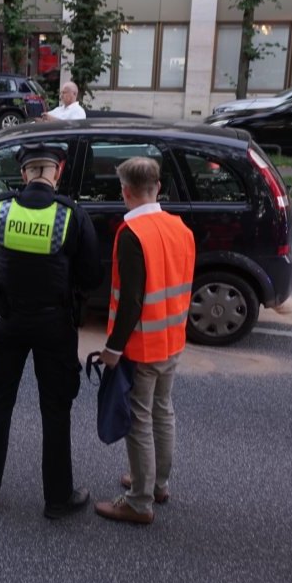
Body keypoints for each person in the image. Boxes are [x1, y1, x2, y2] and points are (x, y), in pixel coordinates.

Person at [0, 144, 102, 517]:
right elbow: (92, 276)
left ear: (25, 173)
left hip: (5, 322)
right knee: (55, 411)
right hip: (54, 326)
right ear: (57, 171)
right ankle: (58, 500)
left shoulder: (0, 210)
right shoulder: (71, 216)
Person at [95, 157, 196, 526]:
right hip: (172, 338)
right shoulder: (179, 227)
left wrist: (113, 348)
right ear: (157, 187)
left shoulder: (132, 233)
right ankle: (157, 484)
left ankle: (139, 502)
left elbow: (132, 301)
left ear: (125, 191)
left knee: (139, 419)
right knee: (162, 411)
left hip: (141, 345)